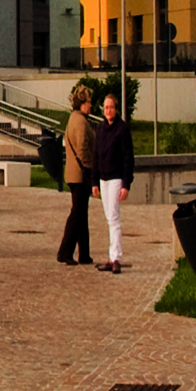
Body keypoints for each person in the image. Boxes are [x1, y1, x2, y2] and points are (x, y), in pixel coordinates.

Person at [79, 79, 137, 273]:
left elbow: (128, 158)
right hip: (103, 179)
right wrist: (94, 182)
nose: (108, 111)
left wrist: (126, 184)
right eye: (106, 108)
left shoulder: (122, 129)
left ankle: (115, 258)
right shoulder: (101, 129)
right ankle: (112, 256)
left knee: (113, 218)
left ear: (117, 109)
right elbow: (96, 155)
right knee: (109, 217)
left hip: (116, 177)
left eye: (111, 107)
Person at [54, 85, 105, 264]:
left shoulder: (73, 119)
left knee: (81, 215)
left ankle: (84, 253)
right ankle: (65, 252)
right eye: (89, 102)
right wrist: (90, 168)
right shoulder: (81, 122)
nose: (91, 106)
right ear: (81, 103)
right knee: (77, 215)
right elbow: (83, 148)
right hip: (81, 175)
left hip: (74, 173)